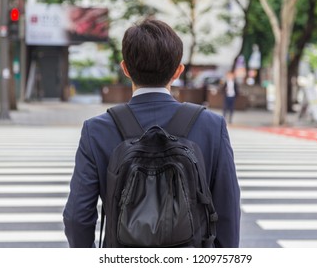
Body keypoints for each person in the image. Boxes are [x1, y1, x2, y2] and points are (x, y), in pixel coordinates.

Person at [63, 18, 240, 248]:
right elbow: (227, 213)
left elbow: (77, 217)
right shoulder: (211, 126)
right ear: (178, 71)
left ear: (125, 68)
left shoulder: (96, 130)